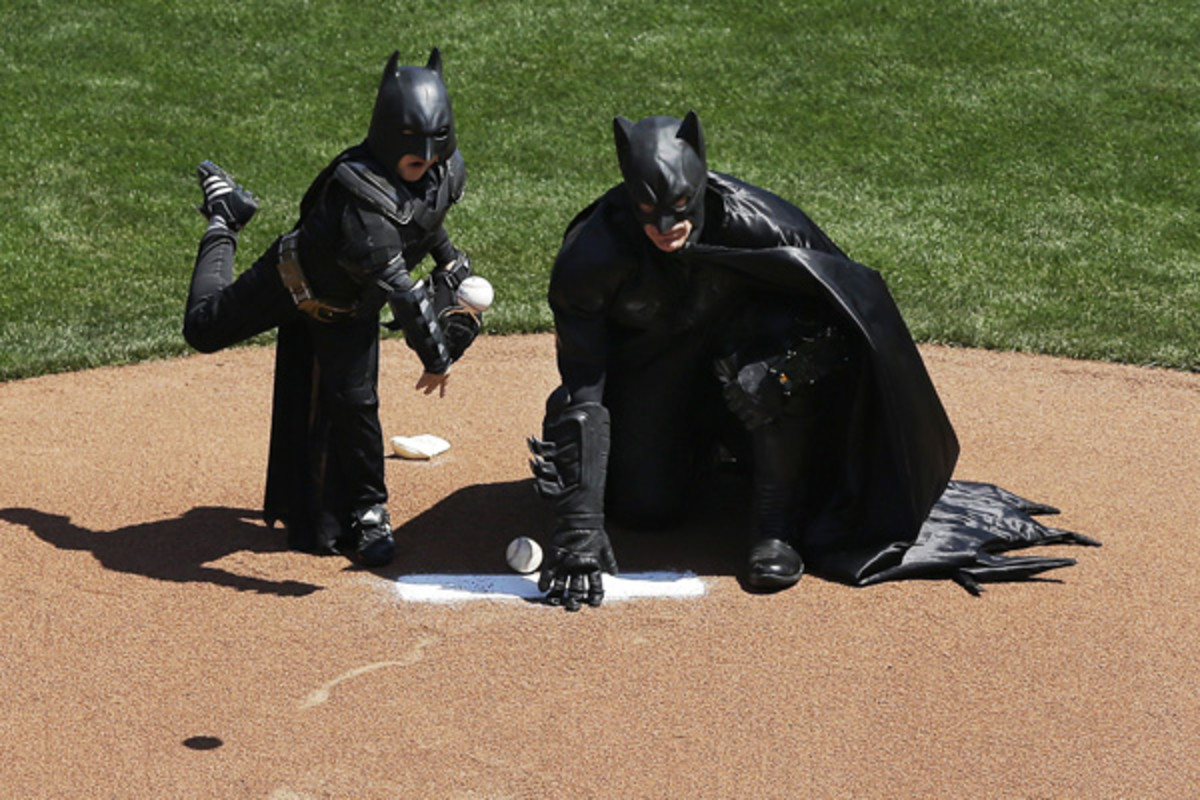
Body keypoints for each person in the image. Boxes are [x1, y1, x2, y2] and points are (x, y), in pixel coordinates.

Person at [529, 111, 1097, 610]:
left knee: (773, 350)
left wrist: (783, 373)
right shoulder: (592, 256)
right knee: (646, 509)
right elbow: (584, 375)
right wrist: (580, 522)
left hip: (748, 368)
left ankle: (776, 527)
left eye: (680, 208)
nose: (665, 228)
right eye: (649, 210)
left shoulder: (762, 222)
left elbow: (857, 313)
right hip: (655, 378)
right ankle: (692, 452)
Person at [183, 48, 483, 567]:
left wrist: (454, 264)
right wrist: (437, 357)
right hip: (290, 283)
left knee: (357, 404)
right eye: (418, 159)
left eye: (438, 157)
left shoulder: (442, 170)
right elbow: (402, 292)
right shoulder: (360, 200)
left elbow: (429, 220)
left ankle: (370, 514)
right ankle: (224, 218)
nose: (429, 167)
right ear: (390, 141)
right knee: (203, 329)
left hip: (349, 310)